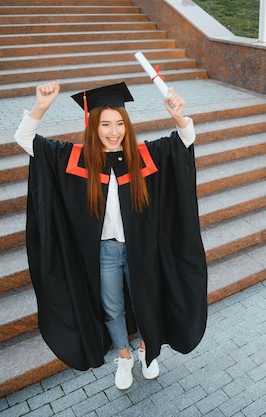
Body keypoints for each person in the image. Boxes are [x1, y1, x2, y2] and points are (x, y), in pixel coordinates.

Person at [15, 80, 208, 390]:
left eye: (119, 123)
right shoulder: (76, 158)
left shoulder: (144, 155)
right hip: (104, 251)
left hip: (140, 249)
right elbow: (25, 139)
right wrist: (40, 107)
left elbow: (185, 140)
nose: (113, 131)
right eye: (105, 124)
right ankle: (124, 356)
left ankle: (147, 351)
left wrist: (179, 116)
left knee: (146, 300)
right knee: (112, 308)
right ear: (93, 126)